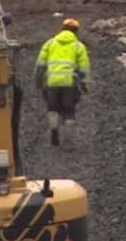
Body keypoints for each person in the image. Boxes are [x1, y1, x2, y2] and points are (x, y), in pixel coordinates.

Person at [35, 18, 91, 148]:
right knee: (68, 111)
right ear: (76, 31)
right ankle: (68, 142)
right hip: (69, 83)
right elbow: (84, 68)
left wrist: (38, 81)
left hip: (52, 81)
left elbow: (40, 64)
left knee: (53, 107)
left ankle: (54, 127)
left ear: (62, 29)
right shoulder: (78, 46)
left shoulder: (50, 43)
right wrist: (85, 86)